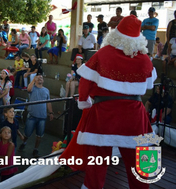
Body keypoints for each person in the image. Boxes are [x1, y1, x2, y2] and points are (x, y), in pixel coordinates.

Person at [60, 15, 155, 189]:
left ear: (116, 34)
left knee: (98, 160)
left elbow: (85, 82)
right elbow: (149, 85)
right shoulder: (144, 59)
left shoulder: (103, 53)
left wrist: (84, 103)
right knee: (139, 159)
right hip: (134, 114)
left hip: (104, 113)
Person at [19, 74, 53, 157]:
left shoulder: (46, 90)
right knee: (27, 133)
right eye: (38, 78)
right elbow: (28, 89)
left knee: (39, 135)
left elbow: (48, 102)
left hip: (42, 116)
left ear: (43, 80)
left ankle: (35, 149)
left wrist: (51, 112)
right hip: (32, 115)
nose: (40, 79)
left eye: (41, 78)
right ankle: (24, 142)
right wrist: (33, 80)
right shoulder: (33, 88)